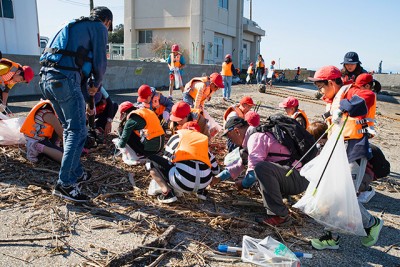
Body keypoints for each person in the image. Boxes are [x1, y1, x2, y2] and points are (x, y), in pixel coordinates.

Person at [38, 6, 113, 202]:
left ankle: (76, 171)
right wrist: (97, 85)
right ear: (107, 21)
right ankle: (66, 183)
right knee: (78, 130)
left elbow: (76, 63)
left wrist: (87, 99)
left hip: (47, 79)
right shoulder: (98, 27)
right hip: (63, 79)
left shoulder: (73, 26)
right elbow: (100, 63)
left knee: (71, 128)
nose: (107, 31)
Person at [308, 65, 383, 249]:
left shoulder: (349, 92)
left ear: (331, 82)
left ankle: (372, 223)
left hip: (354, 151)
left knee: (343, 196)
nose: (320, 90)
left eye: (321, 86)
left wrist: (349, 105)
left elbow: (369, 96)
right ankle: (331, 238)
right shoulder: (332, 98)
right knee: (329, 195)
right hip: (338, 151)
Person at [210, 117, 309, 226]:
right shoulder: (254, 136)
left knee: (261, 169)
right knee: (263, 170)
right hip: (294, 176)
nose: (230, 140)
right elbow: (240, 164)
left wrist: (243, 184)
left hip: (297, 179)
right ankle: (282, 199)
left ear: (236, 131)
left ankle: (280, 216)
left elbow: (252, 173)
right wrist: (218, 178)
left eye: (229, 136)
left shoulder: (255, 138)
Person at [147, 121, 220, 203]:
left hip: (182, 181)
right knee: (202, 167)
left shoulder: (177, 137)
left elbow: (166, 160)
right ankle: (201, 191)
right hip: (204, 183)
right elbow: (216, 170)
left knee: (151, 160)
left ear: (183, 130)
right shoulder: (203, 143)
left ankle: (167, 192)